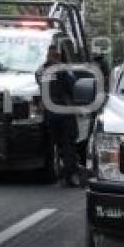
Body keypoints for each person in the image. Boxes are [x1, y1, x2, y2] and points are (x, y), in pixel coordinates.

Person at [36, 45, 78, 187]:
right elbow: (73, 86)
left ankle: (56, 172)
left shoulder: (40, 70)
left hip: (49, 112)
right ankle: (70, 175)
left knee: (54, 143)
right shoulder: (63, 69)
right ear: (58, 56)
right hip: (64, 110)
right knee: (69, 143)